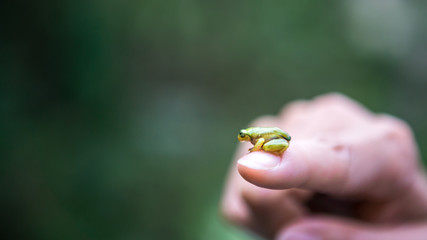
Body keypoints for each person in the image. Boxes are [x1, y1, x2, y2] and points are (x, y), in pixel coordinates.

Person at [221, 93, 427, 240]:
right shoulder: (253, 133)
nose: (242, 138)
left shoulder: (256, 136)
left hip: (279, 141)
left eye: (243, 136)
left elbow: (264, 142)